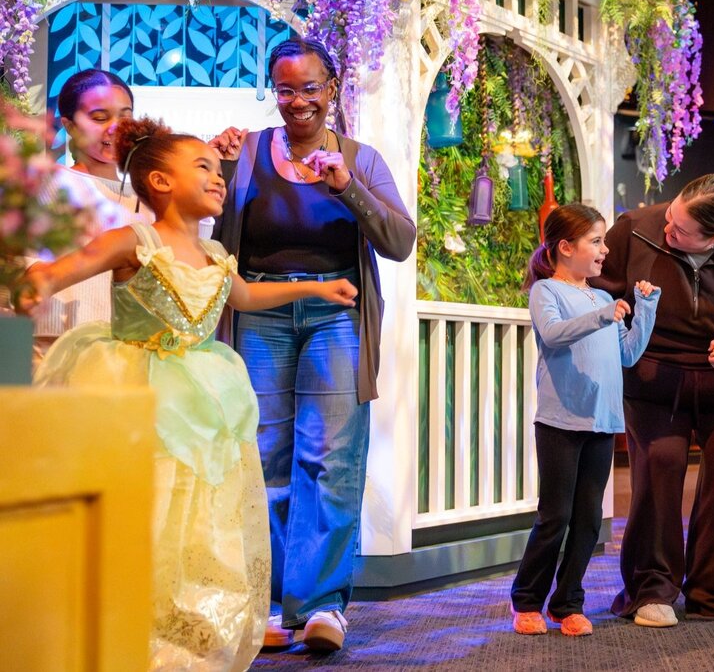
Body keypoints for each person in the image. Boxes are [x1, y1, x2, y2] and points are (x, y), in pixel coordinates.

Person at [18, 117, 358, 670]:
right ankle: (126, 620)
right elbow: (70, 267)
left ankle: (187, 628)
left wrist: (317, 288)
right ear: (160, 182)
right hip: (139, 392)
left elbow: (244, 296)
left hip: (200, 395)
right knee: (146, 503)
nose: (219, 176)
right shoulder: (136, 240)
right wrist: (38, 283)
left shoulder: (216, 252)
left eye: (218, 169)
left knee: (197, 510)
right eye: (203, 166)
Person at [208, 37, 416, 652]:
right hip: (260, 313)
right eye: (285, 89)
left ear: (332, 88)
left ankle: (322, 605)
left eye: (310, 88)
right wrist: (220, 169)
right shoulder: (246, 151)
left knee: (332, 458)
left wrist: (348, 186)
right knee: (264, 457)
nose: (297, 101)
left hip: (337, 316)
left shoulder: (360, 158)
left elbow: (399, 241)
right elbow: (208, 232)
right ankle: (275, 602)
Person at [594, 174, 714, 627]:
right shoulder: (634, 230)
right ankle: (651, 589)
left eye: (681, 230)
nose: (668, 229)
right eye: (671, 216)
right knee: (658, 468)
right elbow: (599, 292)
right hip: (653, 382)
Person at [510, 204, 660, 637]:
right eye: (596, 241)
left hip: (602, 421)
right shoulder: (546, 291)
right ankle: (527, 601)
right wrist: (601, 316)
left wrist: (645, 308)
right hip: (560, 421)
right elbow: (553, 334)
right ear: (565, 247)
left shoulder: (604, 298)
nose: (604, 249)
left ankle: (567, 603)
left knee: (589, 520)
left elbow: (627, 354)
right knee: (555, 516)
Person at [30, 69, 154, 362]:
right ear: (69, 126)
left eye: (125, 117)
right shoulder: (48, 183)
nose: (116, 128)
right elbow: (25, 274)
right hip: (59, 352)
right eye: (100, 118)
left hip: (129, 352)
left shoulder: (147, 196)